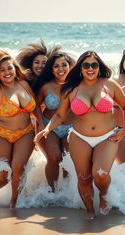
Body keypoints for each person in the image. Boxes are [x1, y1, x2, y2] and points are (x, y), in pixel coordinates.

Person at [34, 50, 125, 219]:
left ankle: (103, 194)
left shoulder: (109, 84)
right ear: (80, 68)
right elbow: (59, 115)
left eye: (94, 64)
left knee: (100, 174)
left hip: (107, 137)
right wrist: (47, 129)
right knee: (84, 177)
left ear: (99, 66)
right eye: (86, 65)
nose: (90, 68)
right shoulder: (71, 89)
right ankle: (89, 210)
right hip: (80, 137)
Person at [0, 49, 43, 207]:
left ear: (15, 68)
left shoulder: (23, 84)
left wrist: (41, 125)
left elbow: (35, 107)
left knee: (18, 168)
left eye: (9, 68)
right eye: (1, 70)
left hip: (25, 133)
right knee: (5, 174)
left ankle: (14, 202)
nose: (6, 72)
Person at [33, 52, 76, 191]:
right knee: (54, 158)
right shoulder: (46, 86)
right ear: (51, 69)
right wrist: (41, 123)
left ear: (70, 67)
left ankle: (65, 194)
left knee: (67, 160)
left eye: (64, 65)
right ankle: (51, 191)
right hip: (48, 126)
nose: (60, 68)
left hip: (69, 128)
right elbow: (35, 105)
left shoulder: (76, 86)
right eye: (56, 66)